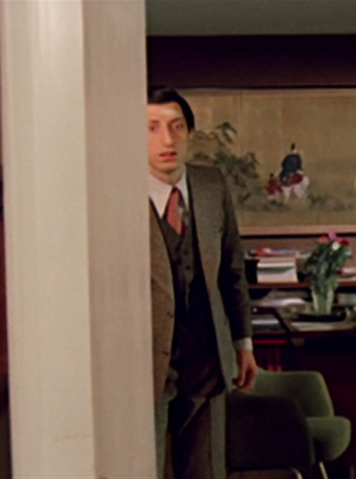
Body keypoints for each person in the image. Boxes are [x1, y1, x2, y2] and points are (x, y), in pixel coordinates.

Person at [146, 85, 259, 478]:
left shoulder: (211, 185)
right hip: (147, 362)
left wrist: (243, 343)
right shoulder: (116, 195)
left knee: (206, 470)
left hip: (207, 359)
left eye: (177, 126)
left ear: (189, 133)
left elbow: (232, 269)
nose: (167, 139)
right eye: (152, 128)